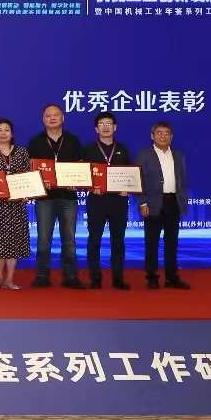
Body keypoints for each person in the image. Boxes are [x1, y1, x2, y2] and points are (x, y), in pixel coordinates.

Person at [26, 103, 85, 289]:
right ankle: (42, 276)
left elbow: (81, 166)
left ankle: (70, 277)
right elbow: (30, 169)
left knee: (69, 240)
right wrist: (37, 182)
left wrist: (78, 181)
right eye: (48, 115)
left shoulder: (73, 140)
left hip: (68, 198)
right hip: (45, 199)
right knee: (43, 239)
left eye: (56, 115)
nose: (52, 118)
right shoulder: (35, 142)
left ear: (63, 118)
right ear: (43, 120)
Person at [136, 121, 191, 290]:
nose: (163, 136)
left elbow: (182, 181)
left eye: (167, 133)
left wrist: (182, 201)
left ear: (171, 137)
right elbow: (138, 181)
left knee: (172, 242)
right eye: (159, 133)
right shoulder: (144, 155)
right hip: (152, 203)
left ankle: (171, 277)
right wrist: (142, 202)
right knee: (151, 242)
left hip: (173, 202)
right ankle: (152, 277)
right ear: (152, 136)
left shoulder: (178, 155)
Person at [0, 118, 32, 290]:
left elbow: (27, 175)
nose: (3, 133)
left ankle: (9, 279)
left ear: (12, 134)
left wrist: (26, 192)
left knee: (14, 241)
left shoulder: (22, 152)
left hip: (16, 205)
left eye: (7, 130)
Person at [83, 111, 133, 290]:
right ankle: (95, 279)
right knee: (94, 240)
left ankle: (118, 279)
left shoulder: (123, 149)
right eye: (102, 124)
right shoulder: (88, 150)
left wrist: (128, 188)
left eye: (109, 123)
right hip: (97, 201)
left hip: (118, 201)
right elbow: (82, 175)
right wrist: (90, 187)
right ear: (96, 129)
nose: (105, 127)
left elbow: (130, 174)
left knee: (118, 241)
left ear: (115, 127)